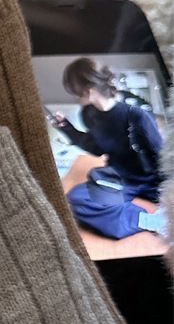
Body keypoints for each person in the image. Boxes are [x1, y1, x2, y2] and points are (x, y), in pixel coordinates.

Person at [53, 57, 166, 239]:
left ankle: (132, 214)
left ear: (89, 91)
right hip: (121, 177)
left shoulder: (137, 114)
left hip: (153, 179)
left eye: (76, 91)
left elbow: (161, 155)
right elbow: (97, 148)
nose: (75, 97)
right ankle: (148, 220)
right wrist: (67, 127)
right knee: (77, 198)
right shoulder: (89, 114)